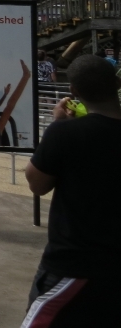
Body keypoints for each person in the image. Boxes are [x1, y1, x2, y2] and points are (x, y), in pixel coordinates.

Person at [22, 54, 121, 325]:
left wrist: (57, 125)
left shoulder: (66, 133)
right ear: (116, 82)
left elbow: (36, 183)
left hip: (73, 266)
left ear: (73, 91)